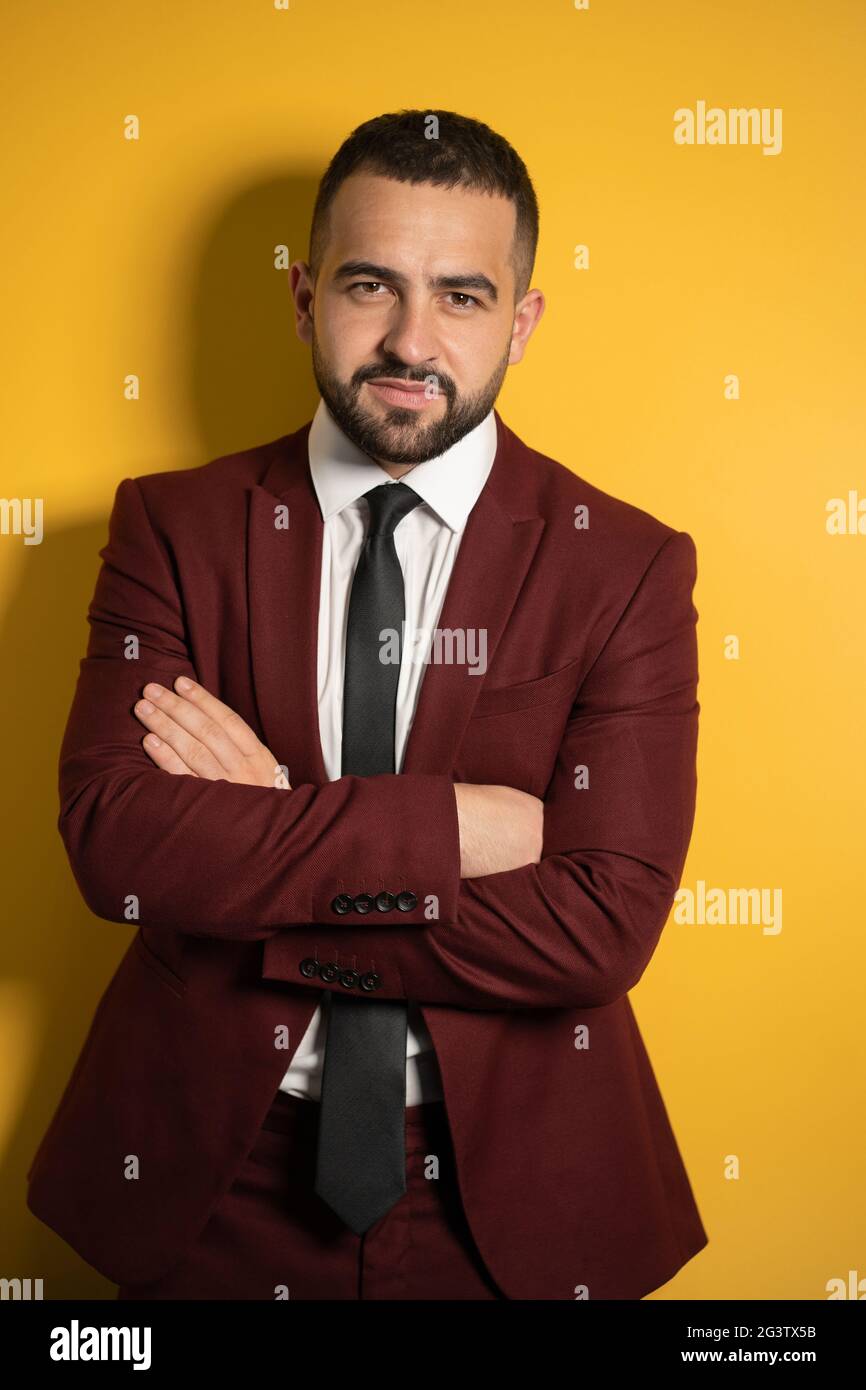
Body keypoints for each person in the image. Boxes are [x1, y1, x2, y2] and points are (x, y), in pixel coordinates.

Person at [26, 108, 708, 1300]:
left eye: (459, 295)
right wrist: (450, 833)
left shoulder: (626, 565)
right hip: (208, 1174)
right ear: (302, 299)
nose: (409, 339)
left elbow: (603, 927)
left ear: (521, 319)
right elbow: (116, 847)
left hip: (510, 1193)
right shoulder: (169, 528)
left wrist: (271, 836)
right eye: (367, 285)